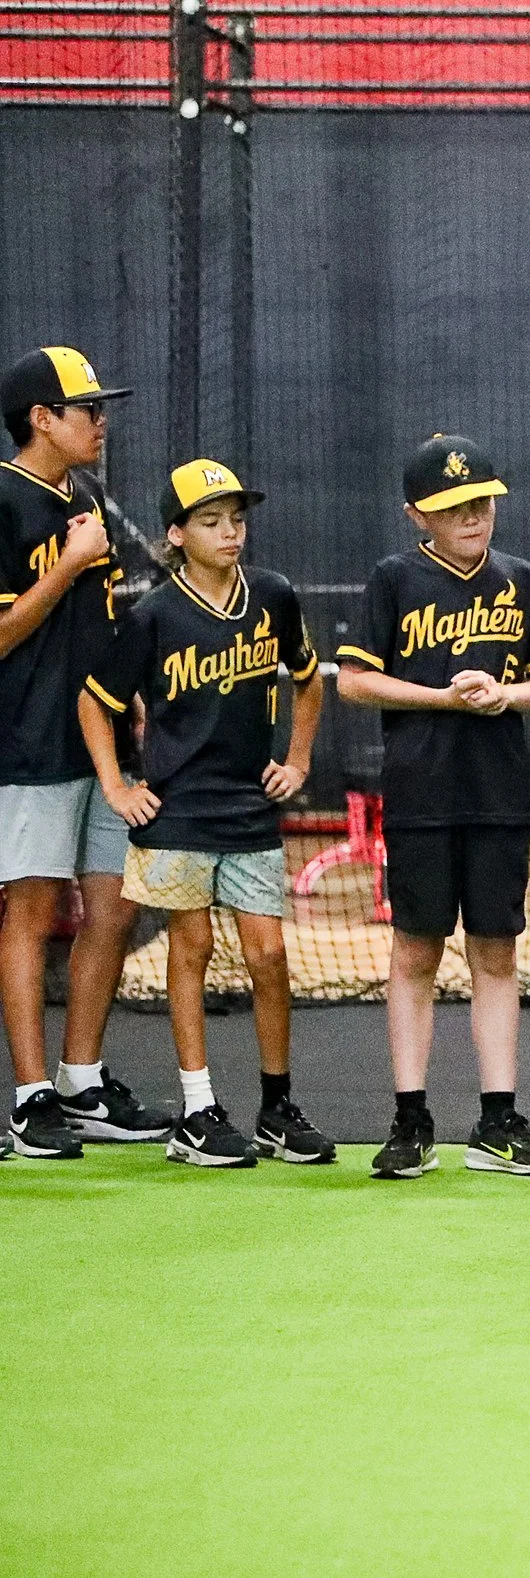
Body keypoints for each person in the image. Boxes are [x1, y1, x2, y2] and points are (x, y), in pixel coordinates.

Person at [78, 460, 332, 1166]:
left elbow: (309, 683)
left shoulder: (274, 597)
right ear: (176, 534)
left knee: (270, 954)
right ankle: (198, 1111)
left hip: (248, 807)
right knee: (191, 949)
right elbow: (95, 702)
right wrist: (117, 786)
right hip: (176, 811)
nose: (230, 532)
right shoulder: (153, 614)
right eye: (212, 521)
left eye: (237, 519)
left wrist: (300, 760)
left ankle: (277, 1108)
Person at [337, 435, 530, 1179]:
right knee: (415, 950)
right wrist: (441, 697)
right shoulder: (395, 579)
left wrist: (507, 694)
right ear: (419, 515)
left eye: (481, 502)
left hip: (500, 793)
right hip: (421, 794)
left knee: (497, 952)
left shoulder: (522, 580)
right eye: (453, 507)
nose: (473, 517)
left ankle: (497, 1122)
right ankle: (411, 1120)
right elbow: (352, 681)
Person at [0, 346, 171, 1161]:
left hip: (100, 745)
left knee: (115, 905)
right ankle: (32, 1099)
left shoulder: (90, 496)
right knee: (32, 913)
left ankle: (81, 1080)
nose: (101, 422)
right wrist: (67, 567)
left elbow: (102, 623)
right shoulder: (3, 500)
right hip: (27, 744)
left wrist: (129, 697)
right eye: (87, 409)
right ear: (42, 418)